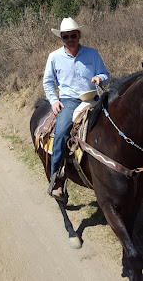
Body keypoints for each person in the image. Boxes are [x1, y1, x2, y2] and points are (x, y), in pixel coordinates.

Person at [43, 17, 109, 200]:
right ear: (61, 38)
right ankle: (56, 176)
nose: (70, 39)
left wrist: (100, 78)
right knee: (62, 131)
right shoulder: (54, 57)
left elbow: (104, 73)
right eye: (66, 36)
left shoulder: (92, 54)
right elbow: (48, 82)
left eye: (73, 35)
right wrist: (54, 101)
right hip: (69, 100)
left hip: (93, 97)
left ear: (78, 35)